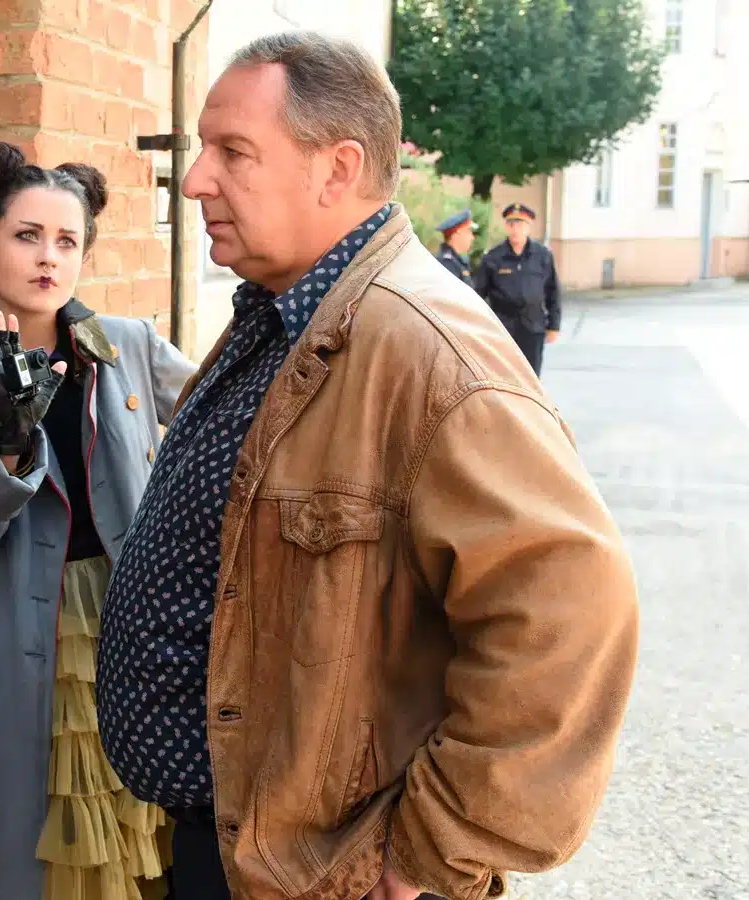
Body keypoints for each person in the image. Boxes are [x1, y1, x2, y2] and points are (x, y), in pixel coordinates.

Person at [95, 31, 639, 900]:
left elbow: (570, 612)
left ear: (337, 169)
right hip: (238, 847)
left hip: (326, 875)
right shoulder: (285, 314)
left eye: (234, 151)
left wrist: (429, 853)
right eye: (203, 150)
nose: (195, 180)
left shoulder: (424, 346)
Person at [0, 142, 197, 900]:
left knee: (128, 840)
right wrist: (8, 449)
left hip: (121, 623)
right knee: (13, 857)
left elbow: (224, 428)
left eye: (67, 240)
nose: (49, 257)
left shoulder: (127, 346)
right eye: (26, 236)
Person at [473, 202, 561, 374]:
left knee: (531, 375)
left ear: (528, 227)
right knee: (504, 375)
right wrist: (481, 326)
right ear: (506, 227)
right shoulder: (493, 257)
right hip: (503, 329)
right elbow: (478, 294)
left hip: (533, 327)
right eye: (511, 224)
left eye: (520, 225)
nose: (515, 229)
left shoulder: (542, 256)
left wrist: (554, 326)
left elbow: (553, 292)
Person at [433, 208, 477, 288]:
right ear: (458, 232)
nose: (472, 237)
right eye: (469, 231)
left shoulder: (457, 261)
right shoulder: (447, 264)